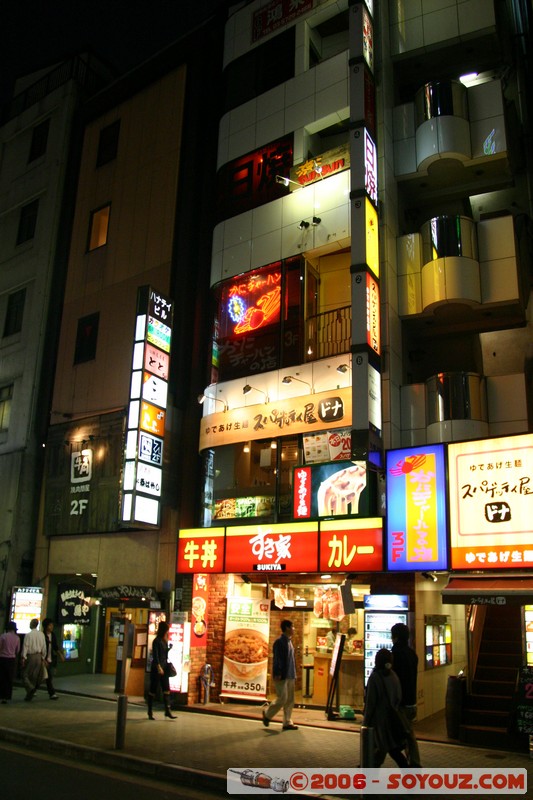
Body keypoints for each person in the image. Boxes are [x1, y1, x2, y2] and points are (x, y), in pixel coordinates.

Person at [363, 648, 408, 767]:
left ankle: (369, 776)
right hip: (392, 717)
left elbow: (370, 702)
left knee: (387, 749)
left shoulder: (375, 677)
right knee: (389, 750)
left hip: (380, 721)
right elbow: (399, 697)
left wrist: (366, 722)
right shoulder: (393, 675)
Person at [391, 622, 422, 767]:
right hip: (412, 701)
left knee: (403, 735)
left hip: (400, 703)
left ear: (396, 637)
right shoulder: (412, 654)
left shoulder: (395, 655)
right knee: (409, 734)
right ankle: (414, 764)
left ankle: (413, 765)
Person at [262, 619, 298, 730]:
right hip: (282, 675)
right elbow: (277, 659)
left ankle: (287, 722)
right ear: (287, 628)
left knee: (290, 700)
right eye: (292, 627)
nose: (294, 629)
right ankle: (267, 714)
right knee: (282, 698)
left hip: (291, 674)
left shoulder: (289, 641)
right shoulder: (280, 642)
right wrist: (277, 672)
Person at [147, 621, 176, 719]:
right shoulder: (157, 641)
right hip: (157, 669)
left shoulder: (164, 641)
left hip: (164, 668)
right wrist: (159, 667)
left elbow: (164, 654)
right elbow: (156, 656)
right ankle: (150, 712)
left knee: (166, 689)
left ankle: (167, 710)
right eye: (167, 630)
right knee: (153, 689)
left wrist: (169, 649)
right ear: (164, 630)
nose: (168, 632)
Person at [21, 618, 47, 701]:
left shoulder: (28, 635)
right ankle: (29, 695)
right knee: (34, 676)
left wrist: (23, 657)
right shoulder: (41, 634)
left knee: (25, 675)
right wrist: (43, 657)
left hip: (31, 656)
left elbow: (26, 646)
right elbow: (44, 647)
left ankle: (31, 688)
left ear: (31, 624)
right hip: (39, 656)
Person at [42, 619, 65, 700]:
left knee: (47, 676)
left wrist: (60, 655)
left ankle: (32, 690)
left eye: (52, 625)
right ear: (46, 626)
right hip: (43, 659)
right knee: (47, 676)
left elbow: (55, 646)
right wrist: (43, 659)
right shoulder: (42, 635)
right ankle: (52, 693)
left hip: (50, 658)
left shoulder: (53, 635)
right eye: (50, 625)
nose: (52, 627)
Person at [0, 621, 21, 703]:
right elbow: (17, 650)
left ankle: (1, 695)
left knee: (2, 677)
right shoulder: (17, 638)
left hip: (2, 658)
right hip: (12, 659)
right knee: (9, 678)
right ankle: (7, 696)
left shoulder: (3, 636)